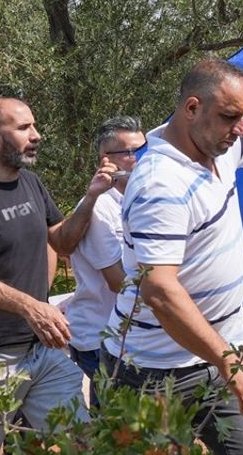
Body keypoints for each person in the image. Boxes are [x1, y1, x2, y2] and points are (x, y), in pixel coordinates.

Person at [103, 40, 243, 455]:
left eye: (242, 117)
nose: (240, 129)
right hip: (153, 374)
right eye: (229, 117)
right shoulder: (160, 184)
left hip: (220, 357)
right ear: (191, 109)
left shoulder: (220, 147)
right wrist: (229, 361)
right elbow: (160, 291)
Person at [0, 97, 114, 454]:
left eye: (33, 126)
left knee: (84, 441)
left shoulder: (31, 183)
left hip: (40, 351)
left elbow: (61, 240)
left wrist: (92, 197)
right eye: (23, 128)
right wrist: (30, 307)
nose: (36, 135)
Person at [66, 116, 144, 404]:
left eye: (143, 149)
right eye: (130, 152)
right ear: (106, 160)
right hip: (99, 338)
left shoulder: (138, 199)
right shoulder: (98, 208)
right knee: (116, 423)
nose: (140, 158)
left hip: (128, 336)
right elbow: (118, 282)